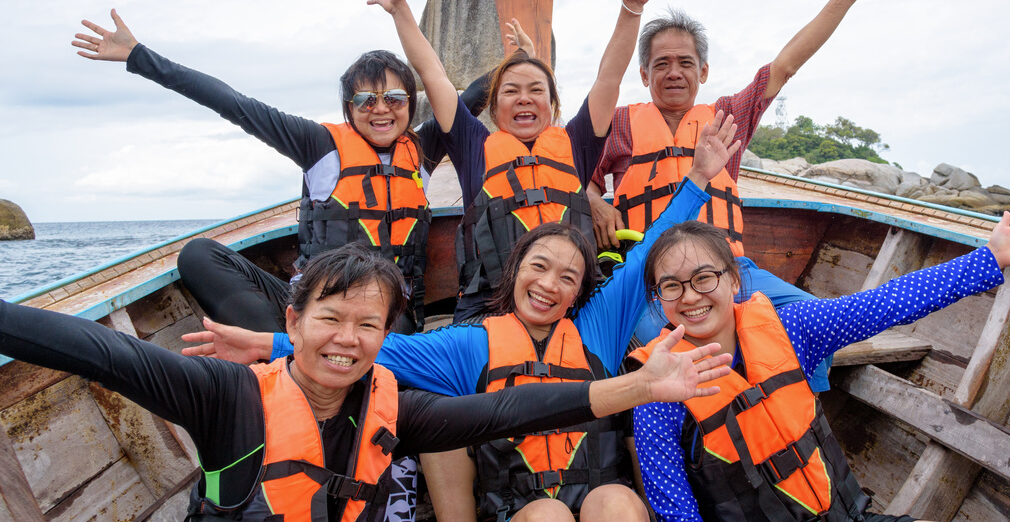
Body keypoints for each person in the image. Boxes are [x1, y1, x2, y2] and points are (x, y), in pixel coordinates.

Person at [182, 114, 745, 522]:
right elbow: (367, 349)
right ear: (514, 272)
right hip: (521, 509)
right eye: (539, 267)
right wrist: (269, 345)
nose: (550, 285)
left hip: (597, 495)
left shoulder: (597, 329)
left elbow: (646, 252)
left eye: (567, 277)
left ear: (579, 293)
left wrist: (699, 177)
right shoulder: (470, 345)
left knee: (618, 504)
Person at [0, 240, 732, 522]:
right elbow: (97, 353)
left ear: (386, 340)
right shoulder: (228, 397)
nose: (346, 341)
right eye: (331, 318)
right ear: (293, 319)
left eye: (368, 326)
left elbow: (512, 407)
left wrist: (642, 387)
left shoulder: (395, 410)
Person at [626, 189, 1010, 521]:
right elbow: (674, 509)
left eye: (704, 277)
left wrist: (992, 258)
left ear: (733, 278)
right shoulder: (657, 388)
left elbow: (889, 302)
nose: (691, 297)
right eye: (671, 286)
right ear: (657, 297)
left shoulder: (792, 329)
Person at [588, 0, 900, 391]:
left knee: (819, 327)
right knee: (658, 357)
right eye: (661, 64)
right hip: (655, 285)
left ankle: (797, 421)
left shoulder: (727, 118)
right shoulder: (619, 125)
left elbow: (786, 65)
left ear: (704, 71)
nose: (674, 73)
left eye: (685, 63)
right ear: (644, 75)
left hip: (734, 272)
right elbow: (575, 179)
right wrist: (595, 199)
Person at [71, 10, 503, 336]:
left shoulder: (423, 148)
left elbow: (469, 99)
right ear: (348, 108)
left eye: (393, 97)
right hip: (315, 303)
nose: (380, 108)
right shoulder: (316, 144)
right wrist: (139, 56)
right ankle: (282, 356)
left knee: (395, 341)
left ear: (410, 103)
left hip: (387, 317)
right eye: (364, 100)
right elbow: (233, 103)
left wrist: (517, 60)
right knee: (198, 255)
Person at [368, 0, 671, 325]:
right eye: (511, 91)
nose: (524, 98)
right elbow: (432, 73)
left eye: (536, 90)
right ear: (494, 109)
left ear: (553, 104)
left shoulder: (577, 144)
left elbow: (609, 76)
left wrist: (632, 7)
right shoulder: (474, 147)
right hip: (491, 309)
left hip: (573, 308)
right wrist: (400, 11)